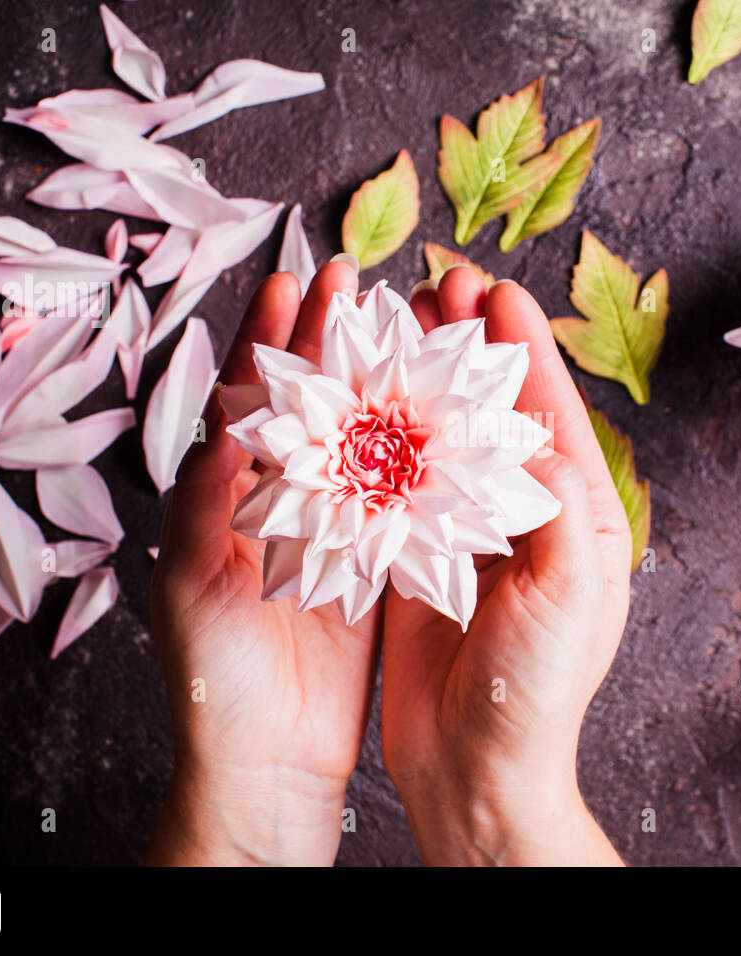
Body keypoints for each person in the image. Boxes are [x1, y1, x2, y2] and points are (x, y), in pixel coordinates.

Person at [145, 258, 631, 866]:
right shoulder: (315, 516)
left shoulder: (461, 502)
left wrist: (258, 789)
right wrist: (499, 796)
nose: (378, 461)